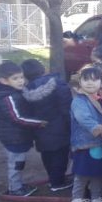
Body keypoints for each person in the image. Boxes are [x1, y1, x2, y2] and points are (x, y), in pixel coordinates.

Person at [0, 61, 46, 196]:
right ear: (4, 81)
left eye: (21, 77)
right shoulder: (8, 97)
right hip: (14, 137)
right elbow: (17, 118)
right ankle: (15, 189)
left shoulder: (12, 92)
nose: (20, 81)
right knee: (16, 163)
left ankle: (16, 185)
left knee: (18, 162)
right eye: (15, 79)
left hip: (17, 135)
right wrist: (39, 123)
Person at [69, 66, 102, 202]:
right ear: (80, 81)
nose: (90, 83)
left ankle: (96, 198)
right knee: (82, 173)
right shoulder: (79, 100)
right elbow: (85, 119)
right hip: (86, 144)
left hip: (101, 144)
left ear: (100, 81)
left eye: (94, 80)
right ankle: (76, 200)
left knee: (98, 172)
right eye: (86, 79)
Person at [21, 59, 73, 191]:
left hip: (40, 128)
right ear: (43, 69)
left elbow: (26, 112)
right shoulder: (58, 84)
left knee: (47, 154)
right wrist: (71, 125)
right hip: (60, 127)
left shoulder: (26, 91)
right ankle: (57, 183)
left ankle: (53, 178)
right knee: (60, 155)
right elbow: (66, 108)